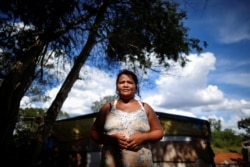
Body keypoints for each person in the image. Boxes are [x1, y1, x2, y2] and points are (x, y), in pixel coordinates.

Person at [90, 69, 164, 167]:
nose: (125, 85)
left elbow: (159, 132)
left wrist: (143, 137)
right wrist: (111, 139)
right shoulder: (108, 108)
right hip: (110, 163)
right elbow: (94, 132)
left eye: (130, 82)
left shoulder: (145, 108)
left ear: (135, 86)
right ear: (117, 86)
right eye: (122, 82)